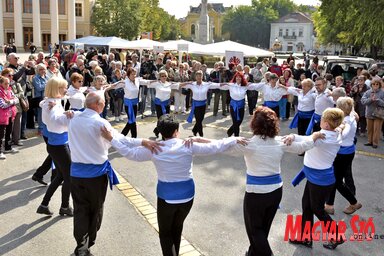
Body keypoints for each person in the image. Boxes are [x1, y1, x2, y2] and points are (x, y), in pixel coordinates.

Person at [101, 114, 246, 256]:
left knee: (165, 233)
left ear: (161, 132)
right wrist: (234, 139)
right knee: (177, 228)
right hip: (188, 196)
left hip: (166, 197)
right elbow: (217, 146)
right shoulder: (188, 145)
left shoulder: (154, 149)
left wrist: (111, 139)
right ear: (177, 131)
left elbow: (129, 153)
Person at [69, 92, 160, 256]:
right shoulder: (100, 122)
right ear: (97, 105)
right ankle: (85, 247)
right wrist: (143, 141)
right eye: (103, 103)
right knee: (95, 210)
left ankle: (81, 246)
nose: (105, 105)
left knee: (80, 210)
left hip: (76, 173)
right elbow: (122, 140)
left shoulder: (73, 118)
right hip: (95, 175)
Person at [227, 106, 323, 256]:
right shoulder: (280, 142)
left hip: (256, 193)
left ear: (254, 124)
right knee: (264, 228)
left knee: (255, 231)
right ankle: (252, 253)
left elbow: (218, 147)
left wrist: (228, 140)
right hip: (275, 191)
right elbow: (302, 147)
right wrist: (314, 136)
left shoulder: (248, 144)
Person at [291, 108, 345, 250]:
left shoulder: (322, 137)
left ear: (327, 124)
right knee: (307, 206)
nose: (319, 120)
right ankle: (306, 237)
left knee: (317, 210)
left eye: (322, 119)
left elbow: (303, 144)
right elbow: (340, 126)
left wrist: (292, 137)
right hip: (316, 177)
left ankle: (337, 235)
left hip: (319, 179)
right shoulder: (336, 132)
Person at [36, 77, 74, 216]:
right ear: (56, 89)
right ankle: (64, 207)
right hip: (59, 145)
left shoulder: (51, 101)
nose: (66, 89)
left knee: (60, 176)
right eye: (64, 87)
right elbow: (56, 121)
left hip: (57, 144)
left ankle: (44, 205)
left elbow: (43, 103)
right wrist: (70, 115)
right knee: (68, 177)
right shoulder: (51, 104)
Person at [325, 97, 362, 215]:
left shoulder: (346, 121)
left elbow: (344, 134)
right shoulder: (350, 116)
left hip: (342, 153)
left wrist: (339, 130)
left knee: (337, 181)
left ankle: (353, 203)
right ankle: (329, 205)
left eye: (337, 106)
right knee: (334, 179)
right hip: (346, 152)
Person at [179, 70, 221, 137]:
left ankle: (194, 130)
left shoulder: (206, 84)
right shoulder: (192, 84)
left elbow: (217, 85)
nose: (199, 77)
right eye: (197, 76)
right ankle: (201, 135)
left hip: (203, 105)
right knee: (198, 121)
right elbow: (181, 85)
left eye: (200, 76)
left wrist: (229, 84)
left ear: (202, 76)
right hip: (196, 105)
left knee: (200, 120)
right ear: (195, 77)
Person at [221, 72, 259, 137]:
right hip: (233, 106)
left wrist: (266, 83)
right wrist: (209, 84)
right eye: (237, 77)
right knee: (235, 122)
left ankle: (230, 131)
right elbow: (219, 85)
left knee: (239, 121)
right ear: (235, 78)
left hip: (241, 106)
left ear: (242, 79)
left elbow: (256, 86)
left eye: (240, 77)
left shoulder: (245, 86)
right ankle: (236, 137)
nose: (238, 78)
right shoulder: (231, 85)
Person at [145, 70, 179, 138]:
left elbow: (179, 84)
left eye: (165, 76)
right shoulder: (157, 83)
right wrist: (155, 80)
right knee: (160, 119)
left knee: (166, 120)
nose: (164, 77)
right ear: (159, 77)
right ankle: (164, 136)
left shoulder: (169, 84)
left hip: (166, 104)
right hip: (159, 104)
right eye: (162, 76)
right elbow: (147, 83)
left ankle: (157, 130)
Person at [361, 78, 384, 148]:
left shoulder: (382, 93)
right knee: (369, 129)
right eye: (374, 84)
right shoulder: (368, 92)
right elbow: (363, 101)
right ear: (371, 85)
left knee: (377, 129)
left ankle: (375, 143)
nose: (375, 85)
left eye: (377, 84)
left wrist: (378, 101)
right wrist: (370, 99)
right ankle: (369, 141)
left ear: (379, 85)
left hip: (378, 114)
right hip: (369, 113)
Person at [0, 76, 19, 160]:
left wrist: (10, 101)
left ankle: (8, 147)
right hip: (2, 116)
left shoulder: (10, 90)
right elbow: (2, 105)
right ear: (1, 83)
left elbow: (17, 99)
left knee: (9, 132)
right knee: (1, 135)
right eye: (5, 83)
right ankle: (0, 151)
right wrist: (12, 101)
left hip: (10, 115)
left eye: (8, 83)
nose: (8, 85)